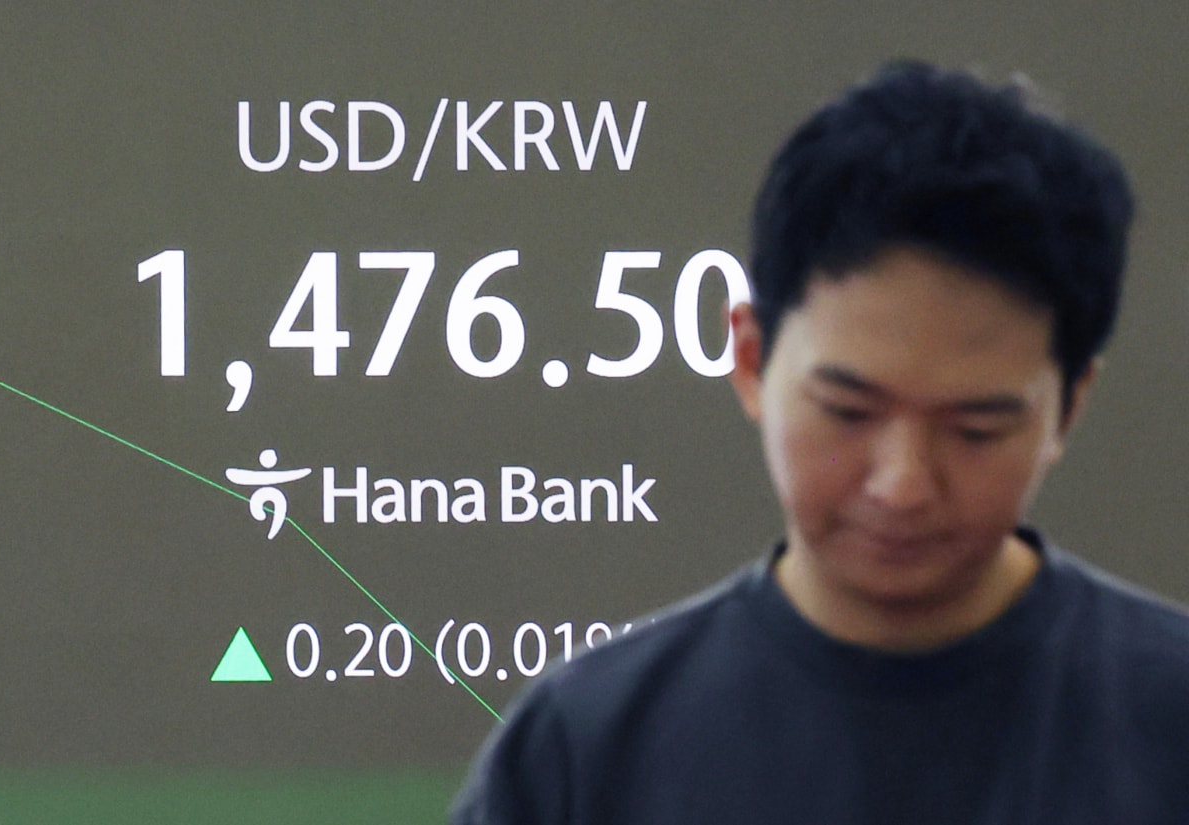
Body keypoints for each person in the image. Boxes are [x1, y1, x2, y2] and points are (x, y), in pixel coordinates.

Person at [449, 60, 1189, 823]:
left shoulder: (1168, 725)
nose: (902, 484)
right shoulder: (585, 751)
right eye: (848, 411)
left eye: (976, 430)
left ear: (1069, 406)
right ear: (750, 358)